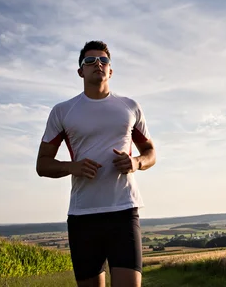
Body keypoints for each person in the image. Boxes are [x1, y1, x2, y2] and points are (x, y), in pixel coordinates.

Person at [36, 40, 157, 287]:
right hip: (84, 216)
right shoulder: (63, 111)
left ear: (110, 70)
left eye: (103, 60)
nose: (97, 64)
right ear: (81, 71)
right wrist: (72, 166)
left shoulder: (130, 107)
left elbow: (150, 152)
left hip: (124, 210)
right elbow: (42, 164)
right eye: (89, 61)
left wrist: (136, 162)